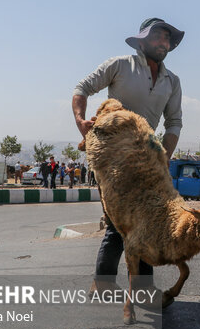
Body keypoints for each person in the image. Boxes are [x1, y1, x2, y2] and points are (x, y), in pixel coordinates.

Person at [72, 17, 184, 300]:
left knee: (148, 220)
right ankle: (109, 286)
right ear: (143, 40)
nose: (164, 42)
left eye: (168, 39)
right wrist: (81, 121)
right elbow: (82, 88)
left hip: (147, 162)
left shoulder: (172, 81)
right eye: (158, 36)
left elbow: (174, 123)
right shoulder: (120, 65)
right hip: (114, 160)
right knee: (117, 223)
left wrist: (163, 157)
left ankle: (134, 289)